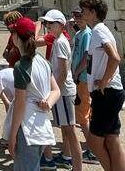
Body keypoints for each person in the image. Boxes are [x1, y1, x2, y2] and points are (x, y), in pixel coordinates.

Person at [79, 0, 125, 171]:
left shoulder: (99, 30)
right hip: (111, 92)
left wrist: (104, 81)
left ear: (93, 12)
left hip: (106, 92)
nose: (81, 13)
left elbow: (114, 57)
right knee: (111, 138)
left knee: (94, 140)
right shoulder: (100, 30)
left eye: (84, 10)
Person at [6, 16, 60, 171]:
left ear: (16, 37)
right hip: (42, 126)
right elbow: (56, 91)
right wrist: (48, 102)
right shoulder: (43, 62)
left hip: (27, 128)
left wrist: (12, 135)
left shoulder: (20, 66)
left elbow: (20, 104)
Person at [39, 10, 82, 171]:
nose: (48, 26)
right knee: (65, 128)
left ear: (61, 25)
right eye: (47, 23)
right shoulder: (58, 41)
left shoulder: (61, 42)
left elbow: (63, 72)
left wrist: (53, 92)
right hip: (62, 90)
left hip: (64, 91)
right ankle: (67, 158)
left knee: (70, 130)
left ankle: (77, 166)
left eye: (52, 23)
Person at [71, 8, 99, 166]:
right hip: (80, 77)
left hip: (82, 78)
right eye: (75, 16)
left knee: (82, 116)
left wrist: (76, 72)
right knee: (84, 114)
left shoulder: (87, 34)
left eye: (81, 16)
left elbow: (86, 56)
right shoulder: (79, 33)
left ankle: (94, 150)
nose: (78, 19)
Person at [0, 65, 17, 150]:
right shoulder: (0, 74)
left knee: (12, 118)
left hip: (20, 91)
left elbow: (7, 104)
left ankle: (9, 140)